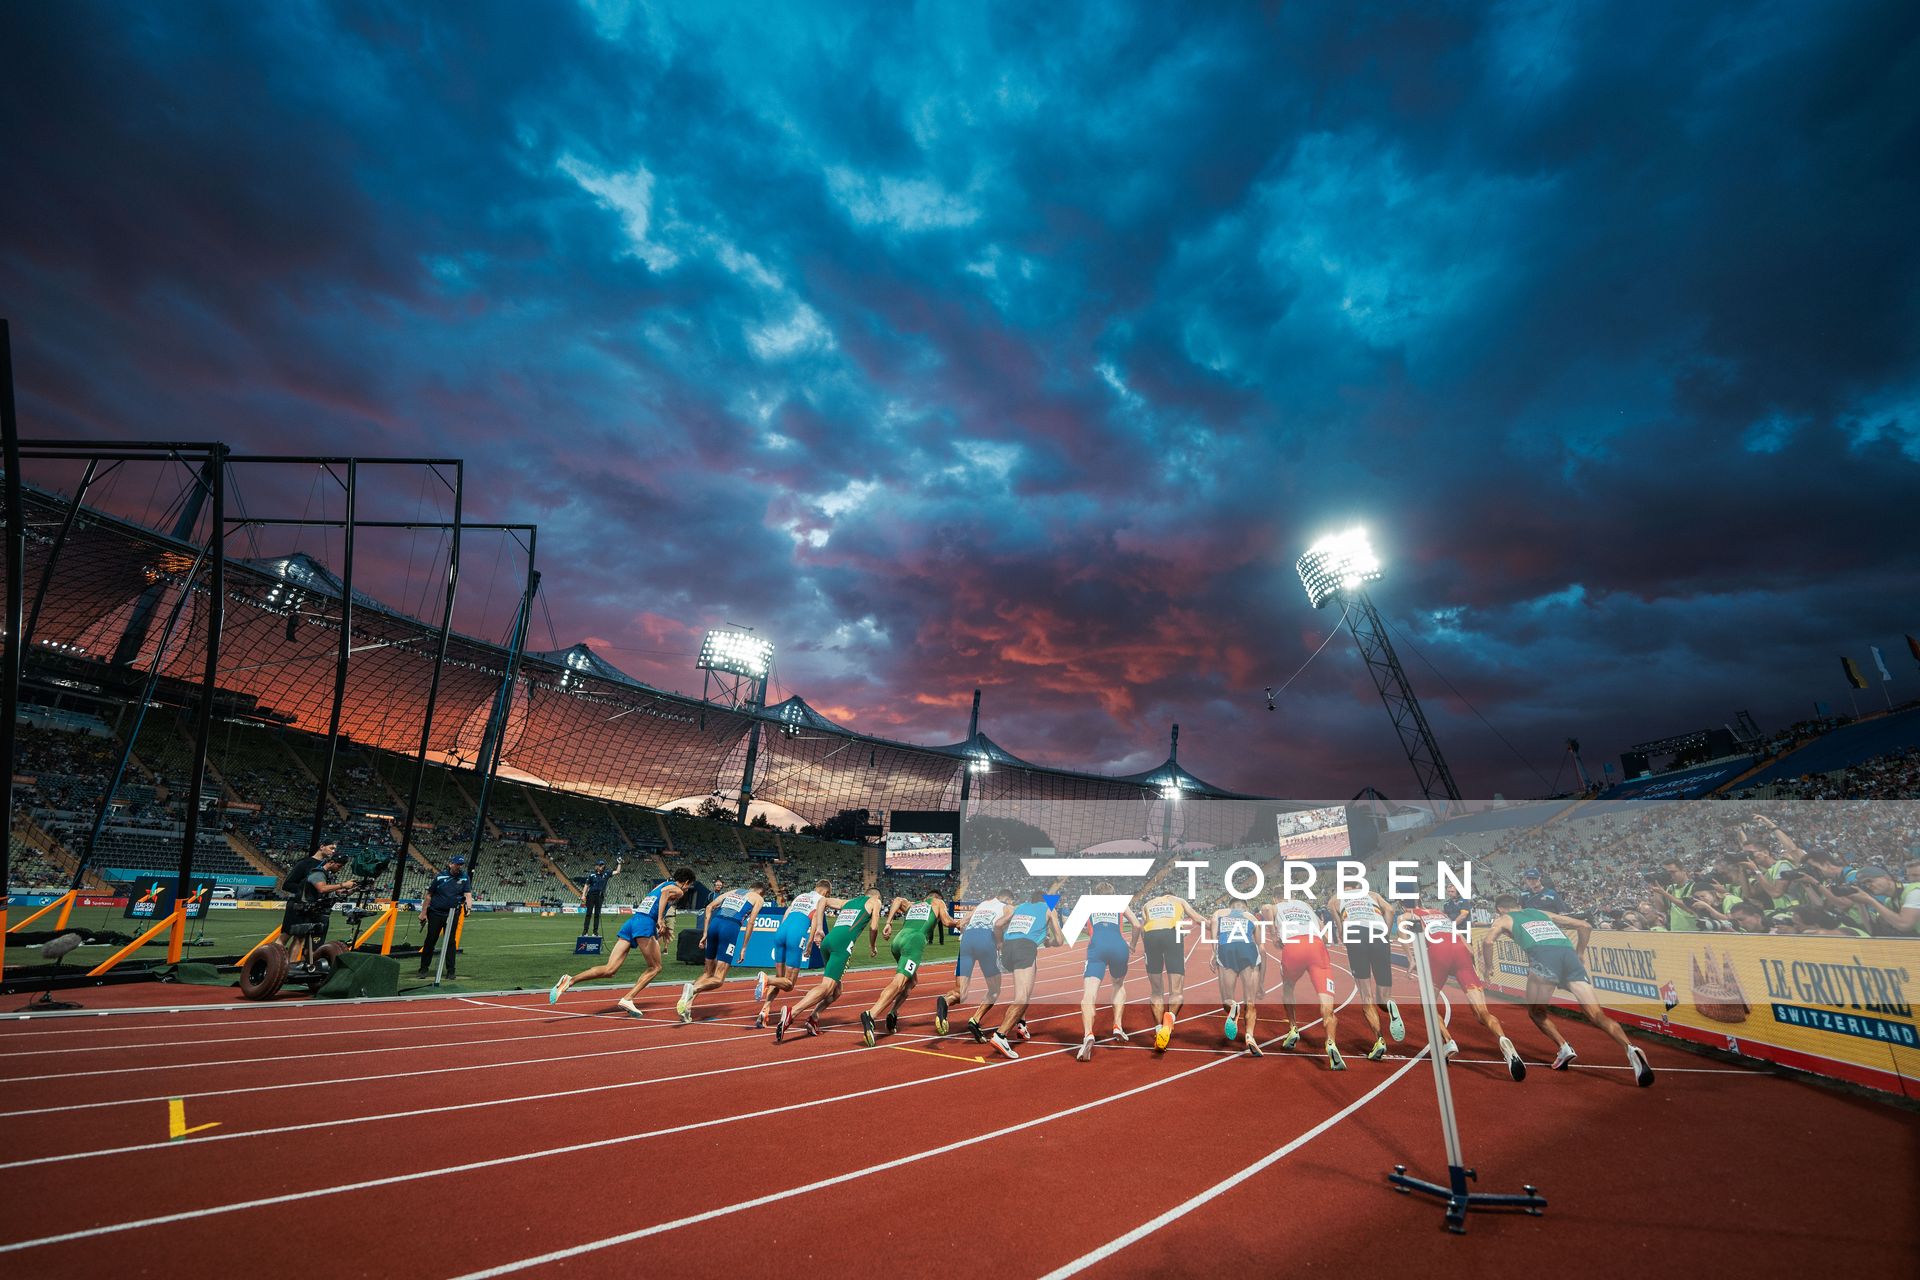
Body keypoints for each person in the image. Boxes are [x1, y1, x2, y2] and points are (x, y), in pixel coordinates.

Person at [1481, 893, 1654, 1086]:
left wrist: (1488, 967)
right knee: (1596, 1014)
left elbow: (1488, 941)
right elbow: (1584, 926)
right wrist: (1579, 953)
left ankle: (1564, 1047)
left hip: (1543, 959)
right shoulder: (1539, 912)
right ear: (1517, 905)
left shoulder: (1504, 919)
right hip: (1569, 957)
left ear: (1499, 909)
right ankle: (1630, 1049)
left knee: (1536, 1012)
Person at [1404, 901, 1525, 1081]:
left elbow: (1401, 924)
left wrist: (1411, 959)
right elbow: (1465, 944)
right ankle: (1503, 1040)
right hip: (1461, 952)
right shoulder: (1441, 914)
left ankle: (1448, 1042)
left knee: (1427, 1004)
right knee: (1482, 1012)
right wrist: (1474, 966)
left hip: (1439, 952)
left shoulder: (1411, 914)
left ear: (1405, 906)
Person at [549, 867, 694, 1013]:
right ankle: (628, 999)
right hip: (644, 923)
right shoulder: (678, 890)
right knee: (655, 967)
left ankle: (570, 980)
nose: (687, 889)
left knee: (610, 969)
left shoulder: (662, 884)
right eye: (689, 886)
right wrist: (660, 919)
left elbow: (659, 895)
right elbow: (664, 894)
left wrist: (658, 927)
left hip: (632, 922)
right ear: (686, 882)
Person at [778, 888, 882, 1042]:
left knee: (836, 990)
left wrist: (820, 928)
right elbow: (874, 927)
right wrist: (872, 946)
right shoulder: (875, 901)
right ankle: (792, 1012)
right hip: (842, 944)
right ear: (876, 896)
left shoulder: (849, 902)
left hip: (828, 941)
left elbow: (822, 900)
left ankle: (814, 1017)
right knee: (827, 987)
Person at [861, 891, 964, 1046]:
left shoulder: (913, 904)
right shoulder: (938, 903)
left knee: (912, 981)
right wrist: (958, 923)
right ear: (937, 898)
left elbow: (897, 899)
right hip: (914, 941)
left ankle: (893, 1013)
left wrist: (888, 922)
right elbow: (946, 921)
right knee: (899, 983)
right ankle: (871, 1015)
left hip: (898, 940)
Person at [1266, 892, 1343, 1071]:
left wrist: (1274, 935)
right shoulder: (1306, 906)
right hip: (1316, 947)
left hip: (1293, 947)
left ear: (1276, 898)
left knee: (1287, 988)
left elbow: (1266, 909)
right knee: (1327, 1006)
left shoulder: (1276, 906)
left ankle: (1293, 1028)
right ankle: (1331, 1042)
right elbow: (1325, 937)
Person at [677, 878, 769, 1022]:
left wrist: (705, 933)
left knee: (707, 973)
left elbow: (708, 908)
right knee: (719, 979)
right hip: (730, 927)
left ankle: (687, 1006)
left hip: (715, 924)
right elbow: (751, 922)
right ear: (761, 893)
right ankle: (692, 990)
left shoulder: (733, 891)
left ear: (750, 887)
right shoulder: (758, 898)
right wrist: (744, 947)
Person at [988, 889, 1062, 1059]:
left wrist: (999, 942)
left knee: (1025, 990)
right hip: (1025, 948)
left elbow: (998, 925)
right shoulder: (1049, 909)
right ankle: (1001, 1035)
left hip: (1008, 948)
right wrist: (1048, 942)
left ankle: (1021, 1024)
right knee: (1022, 996)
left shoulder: (1019, 907)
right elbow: (1059, 940)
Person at [1332, 886, 1404, 1061]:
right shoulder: (1373, 895)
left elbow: (1339, 926)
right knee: (1383, 997)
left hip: (1355, 933)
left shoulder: (1335, 898)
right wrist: (1385, 931)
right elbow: (1391, 910)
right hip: (1378, 934)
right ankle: (1390, 1005)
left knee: (1366, 996)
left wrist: (1343, 935)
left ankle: (1379, 1039)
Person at [757, 879, 841, 1027]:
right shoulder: (821, 900)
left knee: (779, 978)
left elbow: (786, 913)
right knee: (789, 984)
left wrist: (781, 933)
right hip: (796, 934)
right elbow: (815, 919)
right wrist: (809, 942)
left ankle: (764, 1010)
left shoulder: (801, 896)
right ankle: (766, 979)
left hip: (781, 931)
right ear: (827, 892)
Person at [1073, 884, 1141, 1062]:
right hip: (1119, 946)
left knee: (1089, 993)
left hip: (1097, 948)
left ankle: (1088, 1034)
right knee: (1118, 985)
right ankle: (1117, 1025)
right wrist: (1133, 944)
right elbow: (1137, 925)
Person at [939, 893, 1009, 1041]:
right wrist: (1000, 942)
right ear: (1007, 899)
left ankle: (945, 1001)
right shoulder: (1007, 907)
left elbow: (960, 923)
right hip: (985, 940)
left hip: (966, 941)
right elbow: (999, 925)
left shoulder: (980, 906)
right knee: (995, 990)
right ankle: (975, 1020)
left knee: (961, 992)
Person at [1138, 890, 1201, 1051]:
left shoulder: (1148, 904)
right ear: (1171, 895)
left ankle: (1159, 1031)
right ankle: (1169, 1021)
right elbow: (1197, 918)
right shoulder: (1178, 900)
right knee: (1177, 991)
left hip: (1151, 937)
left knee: (1156, 991)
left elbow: (1143, 929)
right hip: (1172, 934)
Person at [280, 844, 359, 964]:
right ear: (331, 862)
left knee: (299, 939)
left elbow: (328, 891)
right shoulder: (316, 871)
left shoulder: (327, 874)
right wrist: (342, 885)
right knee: (288, 937)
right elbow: (322, 889)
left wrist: (349, 890)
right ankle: (276, 964)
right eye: (339, 865)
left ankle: (292, 967)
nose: (340, 868)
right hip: (300, 906)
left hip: (310, 909)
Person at [1209, 900, 1265, 1055]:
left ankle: (1233, 1006)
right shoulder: (1251, 917)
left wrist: (1213, 952)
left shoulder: (1219, 913)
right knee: (1250, 1002)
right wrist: (1261, 982)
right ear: (1245, 907)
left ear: (1230, 906)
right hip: (1248, 950)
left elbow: (1213, 933)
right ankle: (1249, 1036)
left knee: (1227, 999)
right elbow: (1261, 946)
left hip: (1227, 949)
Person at [418, 855, 473, 979]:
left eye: (461, 864)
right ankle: (423, 969)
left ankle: (451, 971)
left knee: (450, 942)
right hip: (436, 913)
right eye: (457, 864)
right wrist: (423, 912)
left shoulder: (464, 877)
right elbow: (429, 895)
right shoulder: (440, 876)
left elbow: (468, 894)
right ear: (451, 864)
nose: (459, 866)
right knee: (430, 940)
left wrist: (468, 908)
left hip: (453, 913)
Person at [577, 857, 621, 935]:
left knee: (597, 914)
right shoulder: (592, 875)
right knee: (588, 913)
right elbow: (586, 885)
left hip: (600, 896)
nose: (602, 866)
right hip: (591, 895)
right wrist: (583, 895)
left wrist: (619, 863)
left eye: (603, 865)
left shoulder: (606, 873)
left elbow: (617, 871)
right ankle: (585, 931)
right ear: (596, 866)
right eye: (600, 865)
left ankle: (595, 932)